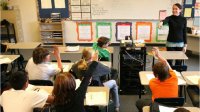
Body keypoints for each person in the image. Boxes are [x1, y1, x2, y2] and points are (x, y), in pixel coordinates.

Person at [136, 47, 178, 112]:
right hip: (173, 106)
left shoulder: (152, 82)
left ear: (156, 75)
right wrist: (159, 55)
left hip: (158, 106)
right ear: (167, 71)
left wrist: (157, 55)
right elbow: (165, 62)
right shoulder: (174, 77)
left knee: (139, 102)